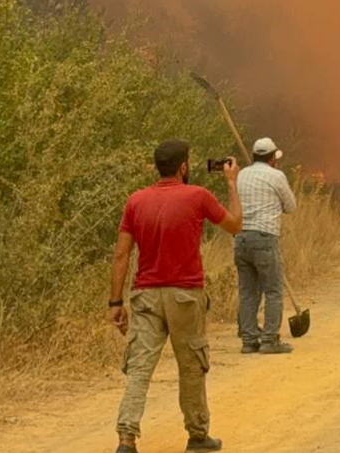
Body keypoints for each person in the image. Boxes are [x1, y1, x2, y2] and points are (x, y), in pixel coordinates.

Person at [108, 139, 243, 453]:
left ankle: (126, 439)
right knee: (191, 366)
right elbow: (235, 225)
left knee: (139, 369)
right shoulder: (197, 196)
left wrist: (115, 303)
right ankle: (197, 437)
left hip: (144, 296)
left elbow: (121, 255)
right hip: (185, 295)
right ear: (184, 166)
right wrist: (232, 184)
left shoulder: (136, 201)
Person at [234, 137, 298, 355]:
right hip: (264, 237)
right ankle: (270, 340)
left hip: (241, 238)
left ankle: (249, 340)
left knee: (247, 292)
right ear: (272, 159)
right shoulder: (276, 176)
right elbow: (290, 206)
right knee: (273, 290)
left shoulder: (241, 174)